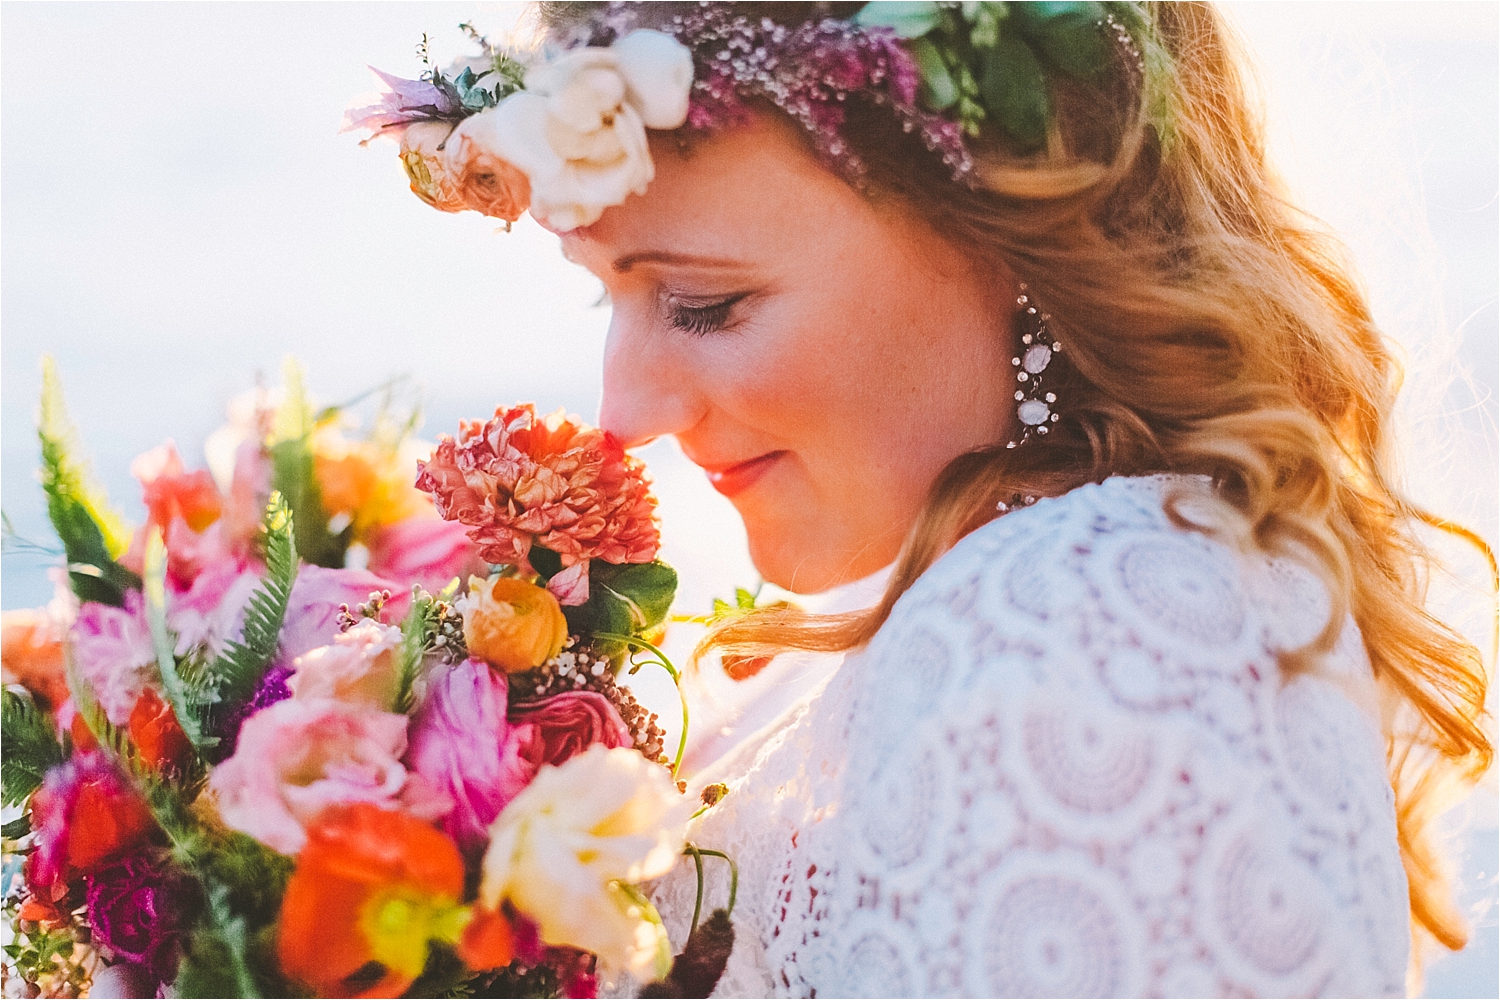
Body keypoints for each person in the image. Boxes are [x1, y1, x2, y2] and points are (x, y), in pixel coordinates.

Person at [360, 2, 1493, 995]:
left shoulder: (1078, 639)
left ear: (1020, 227)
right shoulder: (1011, 599)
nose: (624, 408)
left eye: (704, 303)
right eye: (608, 297)